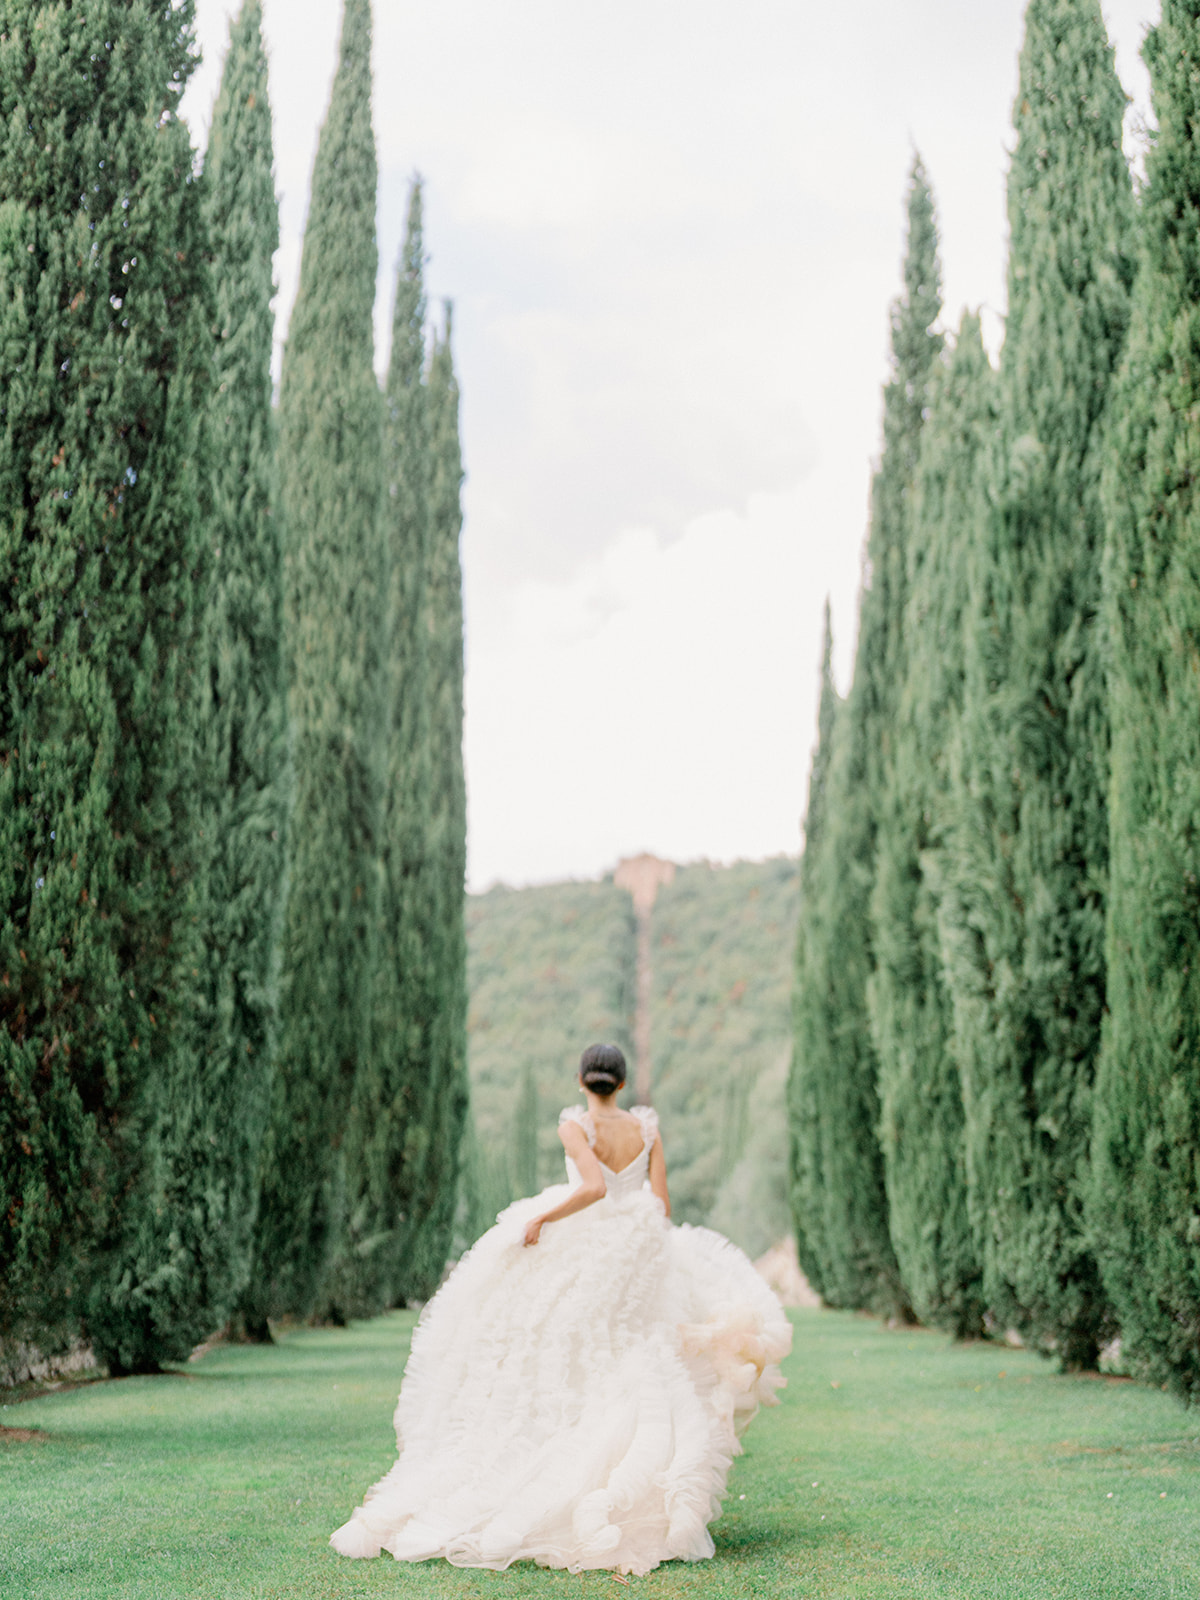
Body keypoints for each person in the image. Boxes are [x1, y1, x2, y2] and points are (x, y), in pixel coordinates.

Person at [329, 1042, 792, 1576]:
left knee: (564, 1357)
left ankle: (560, 1468)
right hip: (640, 1252)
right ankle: (632, 1493)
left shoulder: (575, 1125)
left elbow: (593, 1187)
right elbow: (660, 1205)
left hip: (593, 1250)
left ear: (581, 1081)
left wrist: (544, 1217)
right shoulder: (645, 1129)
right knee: (634, 1357)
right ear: (620, 1084)